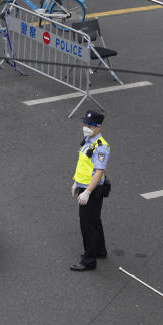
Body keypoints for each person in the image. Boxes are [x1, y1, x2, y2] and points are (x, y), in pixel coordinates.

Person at [70, 109, 110, 271]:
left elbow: (99, 172)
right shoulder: (88, 140)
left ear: (98, 127)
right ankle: (100, 250)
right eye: (85, 123)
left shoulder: (101, 148)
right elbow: (84, 166)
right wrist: (76, 183)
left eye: (90, 125)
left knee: (87, 226)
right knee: (95, 221)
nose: (85, 127)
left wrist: (86, 192)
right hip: (83, 185)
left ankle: (89, 260)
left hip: (92, 190)